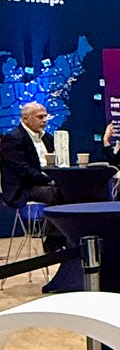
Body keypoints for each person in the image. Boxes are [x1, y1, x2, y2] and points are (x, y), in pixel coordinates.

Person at [1, 102, 65, 249]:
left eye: (45, 116)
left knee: (71, 191)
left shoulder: (47, 137)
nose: (45, 120)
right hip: (23, 187)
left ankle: (69, 237)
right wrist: (50, 180)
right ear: (25, 119)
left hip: (44, 182)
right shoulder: (13, 139)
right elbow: (23, 171)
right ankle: (54, 240)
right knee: (55, 193)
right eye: (40, 117)